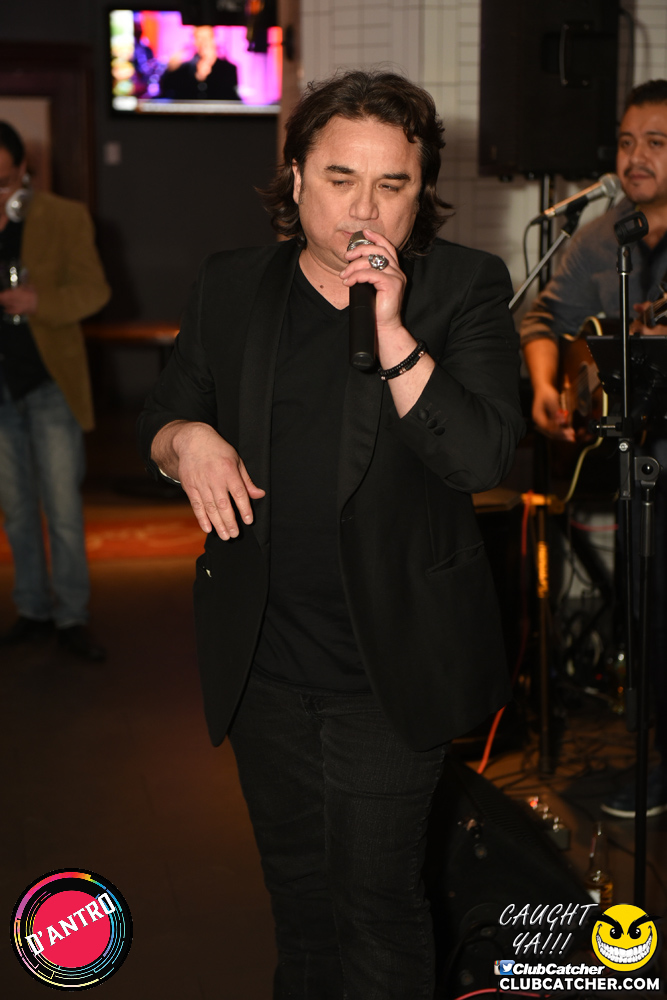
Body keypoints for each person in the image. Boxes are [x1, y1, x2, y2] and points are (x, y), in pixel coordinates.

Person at [139, 70, 524, 999]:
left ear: (420, 192)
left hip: (385, 668)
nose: (364, 208)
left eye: (392, 185)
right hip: (264, 659)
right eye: (341, 178)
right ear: (296, 178)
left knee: (376, 908)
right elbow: (163, 416)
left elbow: (481, 458)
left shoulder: (462, 286)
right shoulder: (233, 283)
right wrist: (185, 442)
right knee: (300, 901)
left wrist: (389, 330)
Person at [520, 79, 667, 818]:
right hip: (637, 465)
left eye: (656, 143)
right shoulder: (603, 232)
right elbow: (543, 317)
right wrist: (548, 386)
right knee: (646, 611)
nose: (635, 157)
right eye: (626, 142)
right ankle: (655, 759)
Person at [0, 121, 110, 660]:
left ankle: (71, 616)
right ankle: (33, 609)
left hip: (49, 384)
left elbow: (95, 290)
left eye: (2, 181)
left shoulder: (63, 217)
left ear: (23, 170)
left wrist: (40, 302)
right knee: (16, 510)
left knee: (62, 509)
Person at [159, 25, 238, 101]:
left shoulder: (228, 69)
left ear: (214, 39)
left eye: (206, 38)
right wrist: (170, 69)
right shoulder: (184, 69)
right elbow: (167, 90)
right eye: (198, 38)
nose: (202, 43)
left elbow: (230, 98)